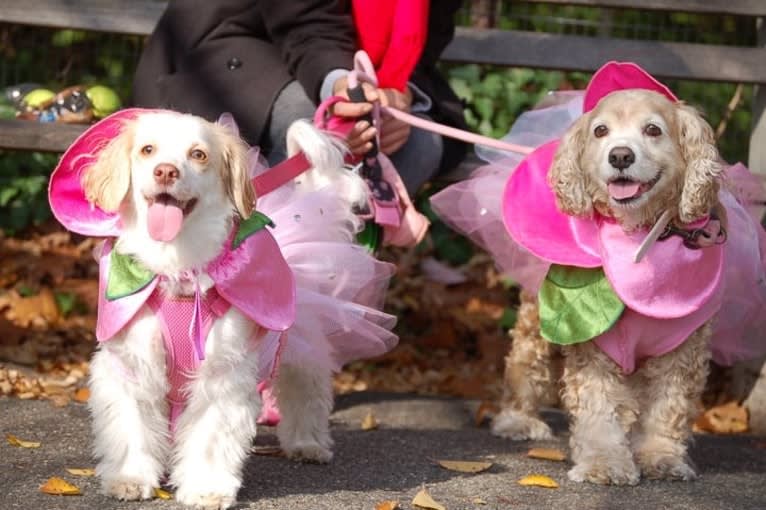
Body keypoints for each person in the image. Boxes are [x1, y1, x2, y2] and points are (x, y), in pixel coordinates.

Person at [131, 0, 467, 195]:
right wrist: (338, 86)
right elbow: (305, 22)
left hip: (365, 70)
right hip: (234, 49)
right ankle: (257, 275)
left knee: (418, 142)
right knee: (315, 132)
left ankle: (333, 283)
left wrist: (397, 94)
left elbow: (430, 31)